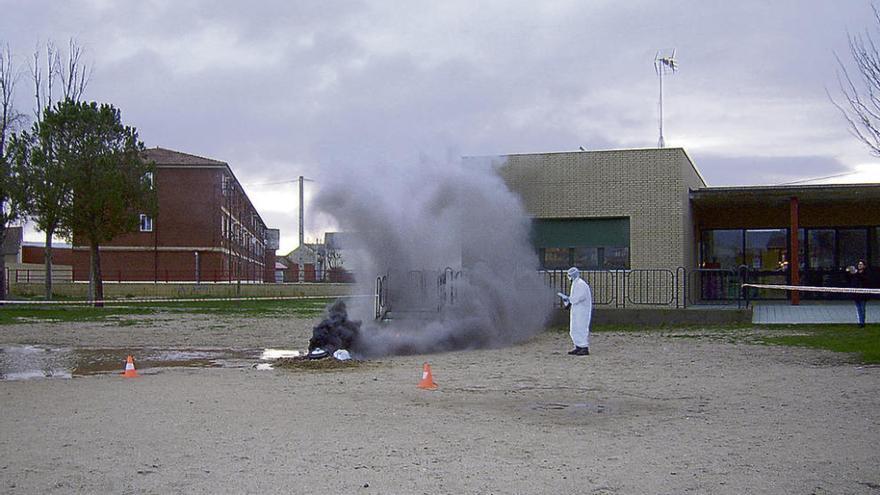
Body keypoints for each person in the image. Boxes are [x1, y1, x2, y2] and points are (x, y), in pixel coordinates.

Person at [558, 267, 592, 355]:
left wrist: (569, 300)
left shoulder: (581, 284)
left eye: (569, 275)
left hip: (582, 310)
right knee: (574, 328)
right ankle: (578, 346)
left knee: (581, 328)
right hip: (576, 310)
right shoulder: (575, 283)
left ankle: (584, 347)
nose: (569, 277)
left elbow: (579, 297)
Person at [847, 260, 874, 328]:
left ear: (864, 266)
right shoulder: (855, 273)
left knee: (862, 308)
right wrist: (849, 271)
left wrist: (857, 273)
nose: (859, 265)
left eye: (861, 264)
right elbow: (850, 280)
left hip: (863, 294)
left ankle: (862, 322)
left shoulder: (866, 273)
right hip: (856, 294)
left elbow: (865, 280)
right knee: (858, 309)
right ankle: (860, 321)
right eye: (859, 264)